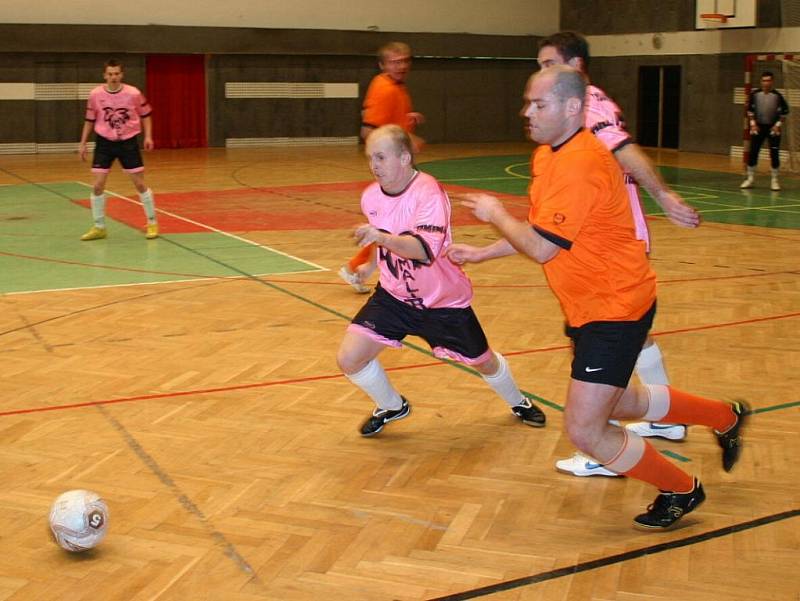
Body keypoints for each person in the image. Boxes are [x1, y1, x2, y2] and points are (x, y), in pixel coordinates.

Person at [447, 66, 748, 530]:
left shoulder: (582, 163)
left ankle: (680, 489)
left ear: (572, 108)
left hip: (615, 307)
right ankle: (725, 416)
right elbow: (544, 226)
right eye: (527, 103)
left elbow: (543, 246)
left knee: (585, 428)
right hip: (591, 306)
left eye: (539, 104)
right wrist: (485, 253)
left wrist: (495, 214)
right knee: (622, 403)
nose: (527, 112)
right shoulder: (549, 155)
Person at [536, 31, 699, 477]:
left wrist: (664, 196)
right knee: (628, 338)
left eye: (549, 64)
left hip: (610, 241)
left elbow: (624, 150)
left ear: (575, 65)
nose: (542, 74)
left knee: (597, 338)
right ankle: (669, 419)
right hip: (599, 240)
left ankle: (600, 444)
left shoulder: (588, 103)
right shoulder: (572, 114)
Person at [336, 124, 545, 438]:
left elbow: (422, 250)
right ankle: (392, 406)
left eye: (380, 157)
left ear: (404, 158)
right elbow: (388, 238)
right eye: (370, 158)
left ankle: (518, 401)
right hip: (394, 297)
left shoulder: (429, 193)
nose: (373, 165)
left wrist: (379, 237)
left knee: (483, 361)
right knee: (349, 358)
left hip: (442, 302)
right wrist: (371, 262)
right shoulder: (370, 197)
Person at [339, 42, 425, 294]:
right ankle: (357, 267)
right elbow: (370, 130)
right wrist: (393, 155)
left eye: (405, 60)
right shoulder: (383, 88)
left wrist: (408, 121)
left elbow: (391, 123)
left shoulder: (397, 88)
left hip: (401, 163)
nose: (401, 65)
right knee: (391, 223)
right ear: (382, 65)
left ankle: (362, 267)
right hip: (393, 169)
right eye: (394, 61)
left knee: (397, 223)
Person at [79, 58, 158, 241]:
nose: (113, 77)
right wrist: (83, 143)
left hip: (128, 142)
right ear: (104, 75)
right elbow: (89, 120)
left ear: (121, 75)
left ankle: (152, 222)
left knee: (139, 183)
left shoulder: (133, 93)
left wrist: (147, 136)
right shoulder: (95, 95)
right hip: (104, 143)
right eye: (110, 74)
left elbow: (146, 115)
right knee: (98, 185)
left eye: (116, 74)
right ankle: (99, 227)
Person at [741, 71, 789, 191]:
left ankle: (774, 180)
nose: (766, 83)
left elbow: (785, 112)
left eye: (768, 80)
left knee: (774, 153)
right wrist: (752, 124)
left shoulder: (777, 96)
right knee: (753, 152)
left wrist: (777, 125)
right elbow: (750, 111)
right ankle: (750, 178)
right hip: (758, 127)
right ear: (761, 82)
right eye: (764, 80)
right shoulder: (755, 95)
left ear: (772, 81)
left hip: (773, 129)